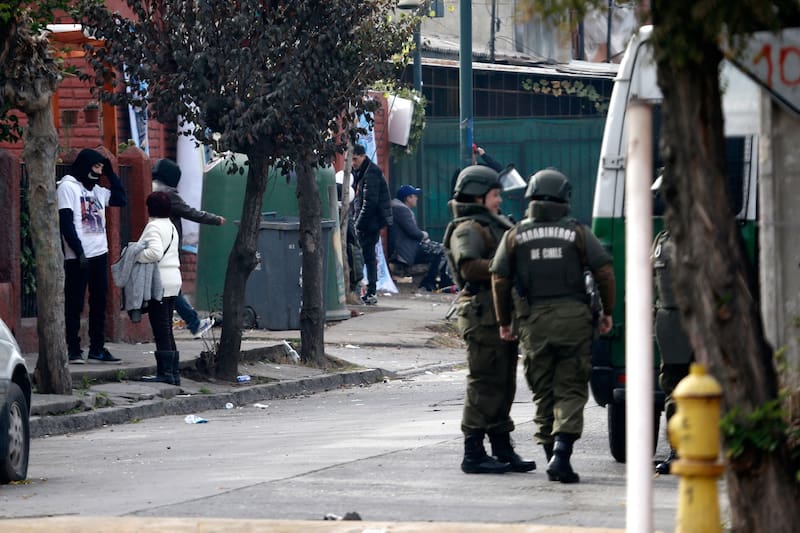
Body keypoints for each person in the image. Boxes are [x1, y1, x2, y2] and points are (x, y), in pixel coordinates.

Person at [490, 168, 615, 484]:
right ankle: (562, 453)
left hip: (535, 324)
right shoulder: (577, 233)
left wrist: (505, 322)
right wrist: (607, 312)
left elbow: (499, 278)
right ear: (565, 197)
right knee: (571, 389)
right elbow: (604, 271)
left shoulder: (515, 235)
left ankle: (552, 458)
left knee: (543, 392)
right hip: (575, 321)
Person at [443, 165, 536, 475]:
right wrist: (506, 265)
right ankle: (473, 452)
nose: (499, 201)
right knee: (484, 383)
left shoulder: (492, 223)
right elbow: (468, 267)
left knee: (504, 382)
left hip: (497, 311)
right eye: (494, 195)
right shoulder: (468, 227)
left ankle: (501, 446)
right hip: (480, 312)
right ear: (478, 197)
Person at [58, 148, 127, 364]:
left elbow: (120, 198)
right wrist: (78, 252)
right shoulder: (68, 187)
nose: (97, 172)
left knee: (99, 302)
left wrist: (110, 173)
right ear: (85, 165)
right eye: (95, 167)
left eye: (100, 168)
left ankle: (97, 348)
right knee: (74, 303)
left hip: (99, 254)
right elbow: (66, 223)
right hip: (78, 255)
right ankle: (73, 348)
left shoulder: (97, 190)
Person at [151, 158, 224, 337]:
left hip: (155, 245)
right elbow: (190, 212)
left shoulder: (151, 189)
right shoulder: (168, 195)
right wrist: (215, 219)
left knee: (166, 290)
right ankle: (193, 322)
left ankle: (170, 328)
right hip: (167, 248)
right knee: (171, 289)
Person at [650, 176, 693, 475]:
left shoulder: (696, 236)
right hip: (671, 322)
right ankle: (681, 449)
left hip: (692, 322)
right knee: (674, 388)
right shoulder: (663, 238)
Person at [136, 191, 182, 385]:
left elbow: (154, 253)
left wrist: (136, 256)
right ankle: (174, 372)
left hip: (159, 282)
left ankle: (166, 373)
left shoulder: (153, 226)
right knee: (167, 327)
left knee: (161, 328)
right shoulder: (170, 225)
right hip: (174, 279)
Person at [390, 184, 452, 291]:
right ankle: (433, 283)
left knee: (439, 252)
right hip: (406, 252)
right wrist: (424, 235)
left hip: (409, 248)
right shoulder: (401, 210)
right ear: (408, 198)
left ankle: (433, 283)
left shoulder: (400, 208)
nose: (416, 198)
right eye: (414, 196)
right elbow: (414, 233)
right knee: (442, 250)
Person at [351, 144, 392, 305]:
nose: (353, 163)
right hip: (366, 220)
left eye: (355, 159)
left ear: (362, 156)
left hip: (371, 222)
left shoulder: (371, 173)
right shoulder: (361, 171)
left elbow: (369, 203)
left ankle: (370, 291)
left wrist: (358, 225)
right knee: (366, 256)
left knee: (365, 257)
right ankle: (369, 290)